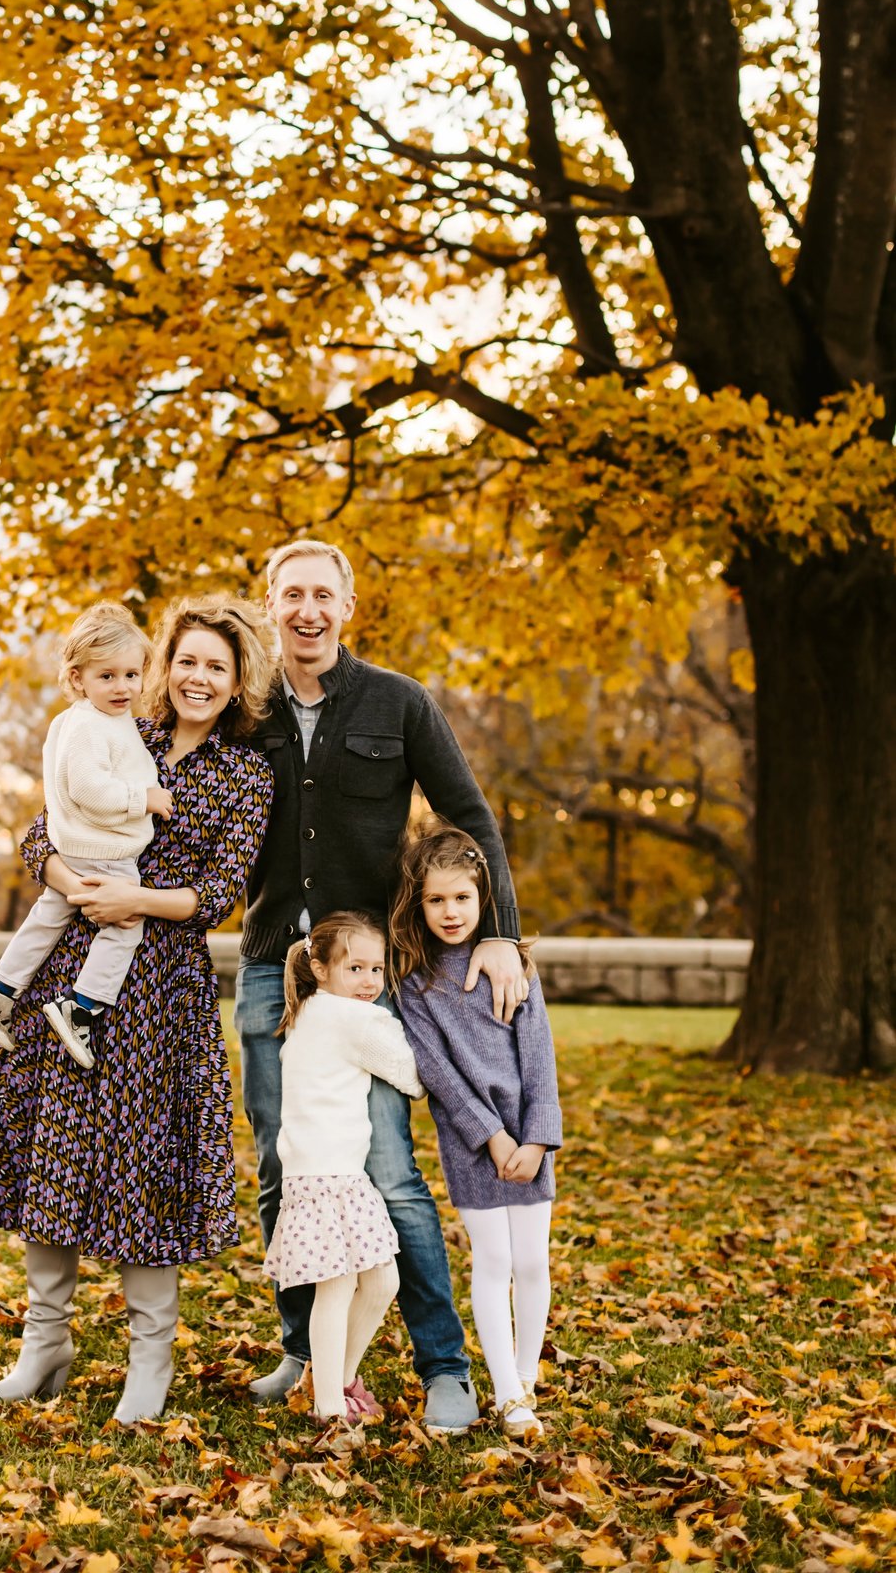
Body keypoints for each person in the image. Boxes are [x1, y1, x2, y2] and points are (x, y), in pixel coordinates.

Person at [0, 593, 275, 1425]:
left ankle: (149, 1358)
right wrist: (67, 882)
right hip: (69, 972)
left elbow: (220, 893)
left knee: (141, 1168)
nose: (198, 677)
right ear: (165, 667)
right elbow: (41, 830)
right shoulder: (117, 722)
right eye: (188, 661)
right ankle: (45, 1344)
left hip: (159, 990)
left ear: (238, 681)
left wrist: (135, 898)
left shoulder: (246, 772)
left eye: (217, 666)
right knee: (51, 1151)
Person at [236, 536, 531, 1433]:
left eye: (323, 594)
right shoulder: (248, 714)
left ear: (348, 604)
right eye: (291, 595)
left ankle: (444, 1366)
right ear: (271, 605)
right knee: (284, 1168)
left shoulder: (398, 703)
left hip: (369, 982)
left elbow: (468, 814)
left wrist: (504, 934)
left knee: (391, 1174)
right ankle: (308, 1350)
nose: (307, 611)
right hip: (271, 974)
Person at [390, 820, 562, 1438]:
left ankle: (526, 1380)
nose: (450, 911)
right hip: (476, 1144)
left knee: (533, 1262)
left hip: (530, 1137)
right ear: (419, 904)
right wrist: (493, 1137)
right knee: (493, 1261)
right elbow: (438, 1074)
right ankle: (507, 1394)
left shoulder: (513, 966)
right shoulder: (417, 985)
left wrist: (538, 1137)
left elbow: (539, 1058)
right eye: (435, 900)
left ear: (483, 898)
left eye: (461, 897)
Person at [0, 602, 171, 1070]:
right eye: (107, 676)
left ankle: (0, 991)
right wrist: (145, 798)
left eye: (131, 675)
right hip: (104, 851)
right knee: (125, 927)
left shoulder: (82, 721)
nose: (123, 687)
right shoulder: (91, 727)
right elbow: (88, 788)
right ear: (78, 679)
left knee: (46, 918)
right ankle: (81, 1006)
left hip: (74, 849)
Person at [264, 913, 423, 1422]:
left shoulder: (310, 1009)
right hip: (325, 1175)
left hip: (337, 1176)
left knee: (381, 1282)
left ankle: (340, 1377)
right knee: (337, 1289)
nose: (371, 982)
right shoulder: (352, 1019)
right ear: (321, 968)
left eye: (377, 969)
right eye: (356, 968)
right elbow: (411, 1076)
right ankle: (330, 1410)